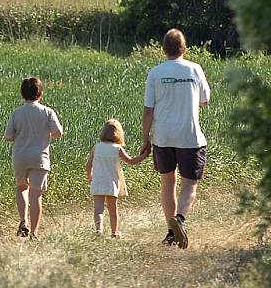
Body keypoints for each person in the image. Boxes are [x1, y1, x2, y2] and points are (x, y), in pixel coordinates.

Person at [140, 28, 211, 249]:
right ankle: (179, 219)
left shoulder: (155, 72)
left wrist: (145, 139)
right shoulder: (195, 69)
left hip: (163, 136)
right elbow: (205, 100)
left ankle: (171, 233)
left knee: (167, 183)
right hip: (190, 136)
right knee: (189, 183)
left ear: (164, 49)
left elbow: (148, 110)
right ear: (184, 48)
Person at [3, 76, 63, 239]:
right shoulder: (47, 112)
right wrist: (45, 135)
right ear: (40, 94)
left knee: (22, 187)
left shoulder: (17, 113)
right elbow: (58, 132)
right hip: (40, 157)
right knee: (36, 194)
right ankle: (35, 232)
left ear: (22, 94)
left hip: (20, 155)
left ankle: (24, 221)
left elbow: (8, 136)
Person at [85, 119, 146, 238]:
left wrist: (90, 177)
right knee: (113, 209)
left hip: (97, 181)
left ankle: (99, 230)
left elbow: (88, 165)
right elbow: (130, 161)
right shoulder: (117, 148)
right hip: (111, 182)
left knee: (98, 209)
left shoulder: (96, 147)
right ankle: (114, 232)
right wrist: (143, 156)